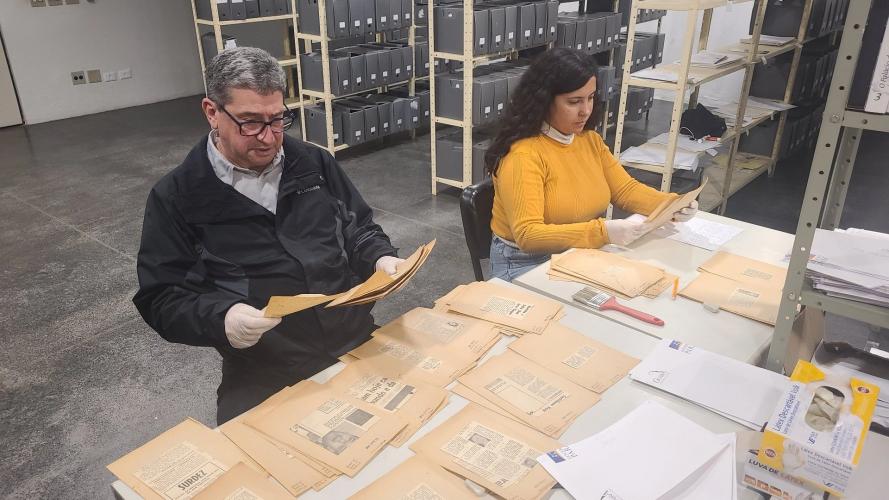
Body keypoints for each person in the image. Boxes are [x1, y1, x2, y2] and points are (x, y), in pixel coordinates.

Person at [132, 47, 403, 424]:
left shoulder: (313, 164)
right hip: (264, 367)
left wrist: (379, 256)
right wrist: (222, 318)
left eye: (277, 120)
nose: (268, 137)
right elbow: (162, 296)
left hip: (352, 340)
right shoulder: (178, 197)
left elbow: (357, 227)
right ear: (212, 112)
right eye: (249, 122)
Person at [485, 48, 698, 281]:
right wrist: (603, 232)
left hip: (577, 251)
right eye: (574, 101)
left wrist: (672, 205)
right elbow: (528, 235)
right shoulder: (524, 155)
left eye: (591, 98)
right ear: (544, 101)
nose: (585, 110)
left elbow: (625, 190)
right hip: (524, 262)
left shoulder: (589, 140)